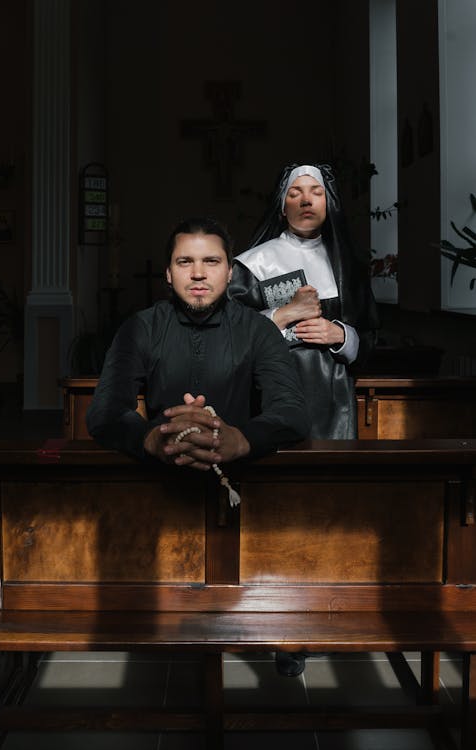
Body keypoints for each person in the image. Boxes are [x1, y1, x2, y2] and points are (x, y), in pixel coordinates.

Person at [229, 163, 379, 674]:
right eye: (296, 192)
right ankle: (280, 629)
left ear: (329, 203)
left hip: (333, 408)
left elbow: (373, 334)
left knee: (330, 510)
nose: (307, 200)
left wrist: (343, 337)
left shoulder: (348, 264)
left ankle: (326, 616)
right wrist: (285, 325)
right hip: (273, 399)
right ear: (282, 202)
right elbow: (228, 336)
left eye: (316, 192)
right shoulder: (254, 264)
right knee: (275, 512)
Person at [86, 216, 308, 480]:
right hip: (160, 484)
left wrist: (240, 440)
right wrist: (153, 438)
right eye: (185, 261)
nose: (198, 273)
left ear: (229, 272)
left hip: (243, 484)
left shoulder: (258, 330)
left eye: (211, 261)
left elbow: (291, 411)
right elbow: (105, 412)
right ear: (168, 273)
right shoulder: (140, 329)